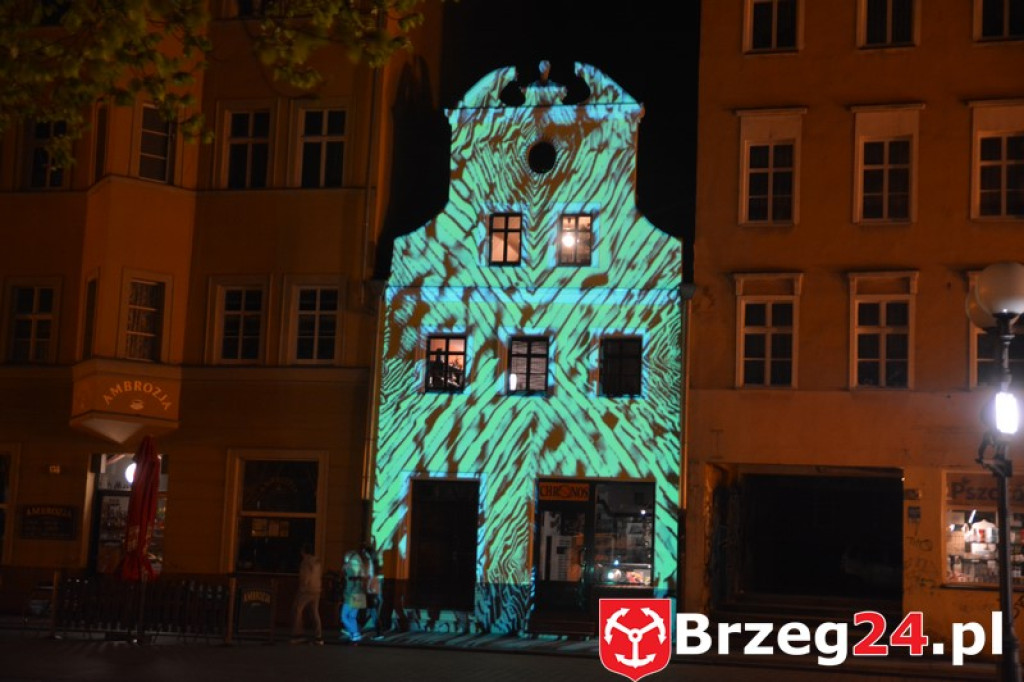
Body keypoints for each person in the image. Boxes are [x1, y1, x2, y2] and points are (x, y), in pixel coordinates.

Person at [290, 543, 323, 645]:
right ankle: (318, 636)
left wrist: (302, 588)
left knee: (297, 609)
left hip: (306, 590)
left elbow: (305, 577)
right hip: (317, 589)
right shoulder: (317, 561)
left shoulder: (305, 562)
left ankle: (298, 634)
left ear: (303, 551)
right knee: (314, 613)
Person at [340, 546, 367, 643]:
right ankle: (354, 634)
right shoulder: (361, 568)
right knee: (352, 617)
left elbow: (349, 584)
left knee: (343, 617)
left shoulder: (349, 568)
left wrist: (346, 594)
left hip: (351, 595)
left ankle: (354, 632)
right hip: (360, 594)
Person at [361, 540, 383, 638]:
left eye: (365, 552)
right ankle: (357, 629)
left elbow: (369, 576)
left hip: (369, 589)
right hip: (373, 589)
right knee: (370, 610)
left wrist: (368, 588)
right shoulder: (374, 563)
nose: (364, 554)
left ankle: (355, 629)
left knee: (369, 611)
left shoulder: (369, 563)